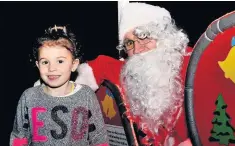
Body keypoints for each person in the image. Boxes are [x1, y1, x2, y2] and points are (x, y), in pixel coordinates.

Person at [74, 3, 194, 146]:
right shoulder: (133, 70)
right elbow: (100, 66)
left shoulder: (194, 64)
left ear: (164, 37)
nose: (137, 49)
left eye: (143, 35)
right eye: (129, 43)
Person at [10, 25, 108, 146]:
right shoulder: (28, 96)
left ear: (74, 64)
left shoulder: (86, 95)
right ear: (38, 65)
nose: (52, 68)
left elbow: (99, 137)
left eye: (60, 61)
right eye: (45, 62)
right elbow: (19, 135)